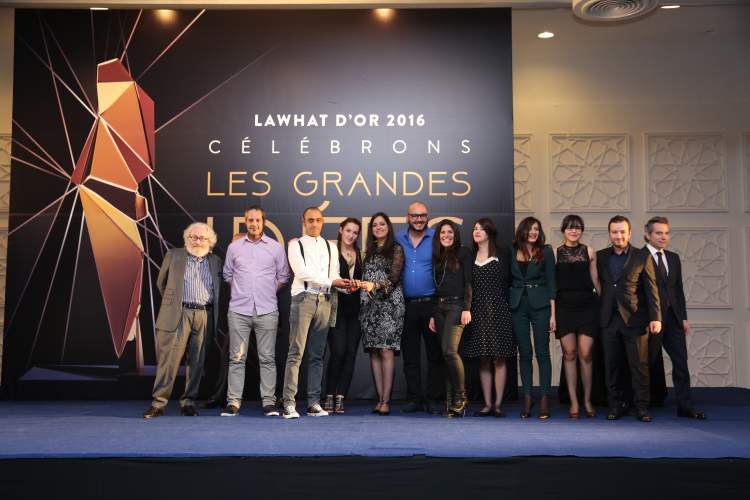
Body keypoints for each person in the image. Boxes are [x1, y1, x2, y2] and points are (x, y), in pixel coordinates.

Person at [144, 222, 222, 418]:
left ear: (210, 242)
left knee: (197, 362)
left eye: (202, 238)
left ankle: (188, 401)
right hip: (179, 314)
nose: (198, 241)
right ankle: (159, 403)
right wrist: (174, 306)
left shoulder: (216, 261)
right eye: (193, 237)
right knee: (169, 361)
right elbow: (161, 283)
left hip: (204, 315)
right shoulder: (174, 255)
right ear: (187, 239)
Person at [220, 206, 290, 417]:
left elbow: (283, 276)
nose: (254, 224)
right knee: (237, 358)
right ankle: (233, 403)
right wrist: (243, 292)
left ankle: (269, 402)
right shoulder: (234, 248)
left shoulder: (275, 248)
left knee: (267, 358)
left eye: (258, 220)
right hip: (238, 310)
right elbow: (227, 275)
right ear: (245, 222)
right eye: (250, 220)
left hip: (267, 309)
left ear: (263, 222)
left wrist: (266, 291)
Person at [282, 207, 351, 419]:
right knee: (296, 353)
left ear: (323, 222)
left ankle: (313, 403)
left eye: (318, 220)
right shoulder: (295, 244)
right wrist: (333, 282)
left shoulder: (330, 247)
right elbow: (302, 273)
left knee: (317, 355)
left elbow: (334, 275)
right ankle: (289, 404)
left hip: (325, 300)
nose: (314, 224)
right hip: (303, 299)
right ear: (303, 221)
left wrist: (346, 286)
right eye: (310, 220)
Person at [597, 215, 661, 422]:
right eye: (614, 232)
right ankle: (615, 406)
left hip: (635, 320)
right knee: (612, 366)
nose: (619, 236)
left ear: (630, 233)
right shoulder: (600, 256)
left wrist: (656, 317)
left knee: (639, 366)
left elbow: (651, 289)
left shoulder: (642, 256)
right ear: (609, 234)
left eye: (622, 232)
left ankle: (641, 407)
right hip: (609, 320)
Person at [643, 216, 706, 419]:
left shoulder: (673, 258)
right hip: (650, 320)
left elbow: (678, 290)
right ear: (647, 235)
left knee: (681, 362)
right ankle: (643, 404)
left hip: (674, 319)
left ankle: (685, 406)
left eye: (666, 233)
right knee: (647, 362)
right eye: (658, 233)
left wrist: (683, 318)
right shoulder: (638, 256)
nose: (663, 237)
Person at [462, 218, 516, 418]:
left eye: (481, 229)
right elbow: (467, 285)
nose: (477, 231)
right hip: (477, 312)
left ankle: (498, 404)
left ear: (490, 232)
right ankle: (487, 404)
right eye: (475, 228)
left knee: (499, 358)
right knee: (484, 359)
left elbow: (510, 282)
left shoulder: (502, 254)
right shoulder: (470, 256)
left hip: (500, 310)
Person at [395, 202, 443, 414]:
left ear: (427, 216)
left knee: (434, 355)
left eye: (422, 215)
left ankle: (433, 399)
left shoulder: (436, 237)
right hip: (407, 305)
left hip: (432, 304)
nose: (419, 219)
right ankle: (414, 398)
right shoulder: (398, 238)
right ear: (408, 217)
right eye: (415, 215)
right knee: (410, 356)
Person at [554, 215, 601, 419]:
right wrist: (552, 314)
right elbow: (552, 285)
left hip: (587, 306)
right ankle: (573, 401)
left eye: (577, 228)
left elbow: (595, 280)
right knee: (570, 353)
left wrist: (605, 305)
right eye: (570, 227)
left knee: (586, 353)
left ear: (581, 230)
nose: (574, 231)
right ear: (563, 230)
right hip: (564, 307)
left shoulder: (589, 251)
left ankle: (587, 400)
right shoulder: (554, 253)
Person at [510, 217, 556, 419]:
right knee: (524, 353)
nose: (533, 232)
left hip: (541, 305)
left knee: (542, 352)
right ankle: (527, 398)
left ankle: (544, 398)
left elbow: (552, 282)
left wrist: (553, 314)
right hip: (517, 305)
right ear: (522, 231)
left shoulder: (546, 251)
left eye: (536, 229)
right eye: (529, 229)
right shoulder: (512, 250)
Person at [360, 213, 405, 416]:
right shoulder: (368, 251)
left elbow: (394, 278)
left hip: (390, 305)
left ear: (388, 227)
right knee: (374, 351)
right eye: (375, 225)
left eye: (382, 224)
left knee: (386, 350)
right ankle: (379, 399)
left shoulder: (396, 249)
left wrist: (375, 285)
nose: (378, 227)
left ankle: (386, 400)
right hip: (370, 307)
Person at [428, 219, 472, 417]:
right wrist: (432, 314)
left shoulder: (464, 252)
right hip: (439, 308)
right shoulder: (437, 256)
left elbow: (468, 281)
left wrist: (467, 308)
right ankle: (450, 401)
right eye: (443, 233)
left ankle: (461, 398)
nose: (446, 236)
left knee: (450, 351)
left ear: (455, 235)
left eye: (450, 232)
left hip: (457, 306)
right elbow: (435, 287)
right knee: (444, 355)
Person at [323, 218, 364, 414]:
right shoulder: (330, 251)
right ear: (341, 230)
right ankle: (329, 394)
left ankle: (341, 396)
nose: (351, 235)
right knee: (337, 352)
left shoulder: (360, 255)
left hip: (355, 311)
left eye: (355, 232)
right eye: (348, 230)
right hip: (336, 309)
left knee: (350, 354)